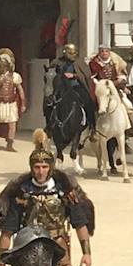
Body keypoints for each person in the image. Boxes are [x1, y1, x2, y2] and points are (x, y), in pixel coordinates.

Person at [0, 135, 94, 266]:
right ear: (31, 168)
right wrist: (1, 263)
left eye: (45, 167)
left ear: (51, 168)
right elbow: (7, 231)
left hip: (59, 248)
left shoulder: (65, 191)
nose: (41, 171)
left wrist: (86, 253)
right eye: (37, 167)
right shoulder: (21, 192)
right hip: (28, 248)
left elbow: (79, 224)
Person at [43, 41, 98, 170]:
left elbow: (86, 75)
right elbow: (50, 74)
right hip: (61, 89)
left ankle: (92, 127)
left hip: (76, 87)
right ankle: (49, 126)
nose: (72, 55)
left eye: (74, 53)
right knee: (49, 102)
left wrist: (74, 75)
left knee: (88, 101)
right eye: (70, 53)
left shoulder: (79, 63)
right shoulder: (57, 62)